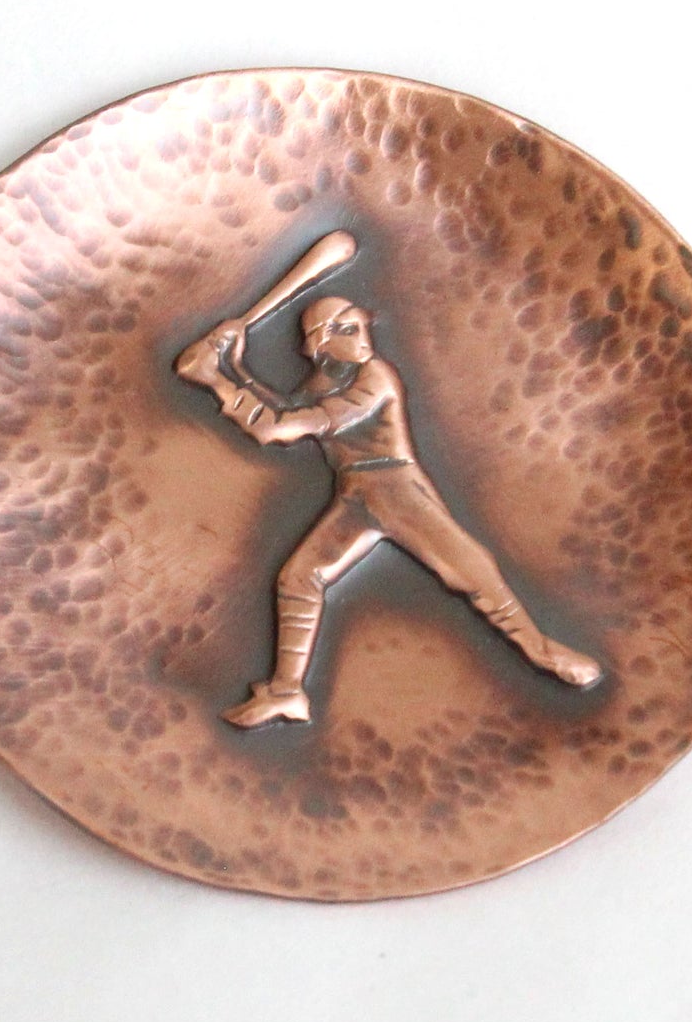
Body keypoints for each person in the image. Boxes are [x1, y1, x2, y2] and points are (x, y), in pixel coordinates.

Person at [175, 296, 603, 727]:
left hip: (396, 490)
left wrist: (216, 380)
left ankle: (540, 650)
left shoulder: (374, 377)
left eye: (359, 325)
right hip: (357, 496)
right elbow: (283, 410)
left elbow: (280, 427)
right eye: (345, 330)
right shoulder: (320, 386)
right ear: (319, 345)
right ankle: (287, 691)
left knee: (470, 571)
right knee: (300, 578)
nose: (360, 337)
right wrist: (234, 364)